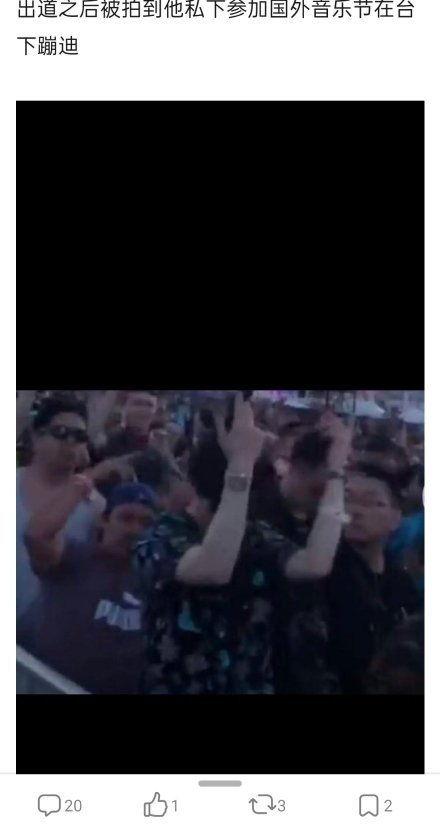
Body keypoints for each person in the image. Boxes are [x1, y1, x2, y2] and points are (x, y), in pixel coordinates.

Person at [134, 395, 351, 695]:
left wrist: (336, 472)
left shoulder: (255, 535)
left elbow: (315, 563)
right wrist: (240, 465)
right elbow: (214, 567)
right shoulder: (161, 536)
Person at [18, 483, 158, 694]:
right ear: (104, 520)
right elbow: (36, 536)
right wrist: (78, 486)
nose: (135, 530)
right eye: (126, 518)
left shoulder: (156, 582)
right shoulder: (74, 555)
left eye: (146, 523)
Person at [327, 465, 422, 694]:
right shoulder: (325, 573)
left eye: (371, 502)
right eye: (347, 499)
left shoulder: (402, 583)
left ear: (396, 518)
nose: (355, 510)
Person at [16, 395, 105, 619]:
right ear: (35, 436)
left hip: (49, 629)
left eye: (79, 436)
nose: (71, 442)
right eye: (61, 432)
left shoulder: (95, 506)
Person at [93, 391, 158, 459]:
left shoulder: (159, 444)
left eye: (149, 405)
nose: (143, 409)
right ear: (125, 409)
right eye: (138, 403)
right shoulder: (108, 441)